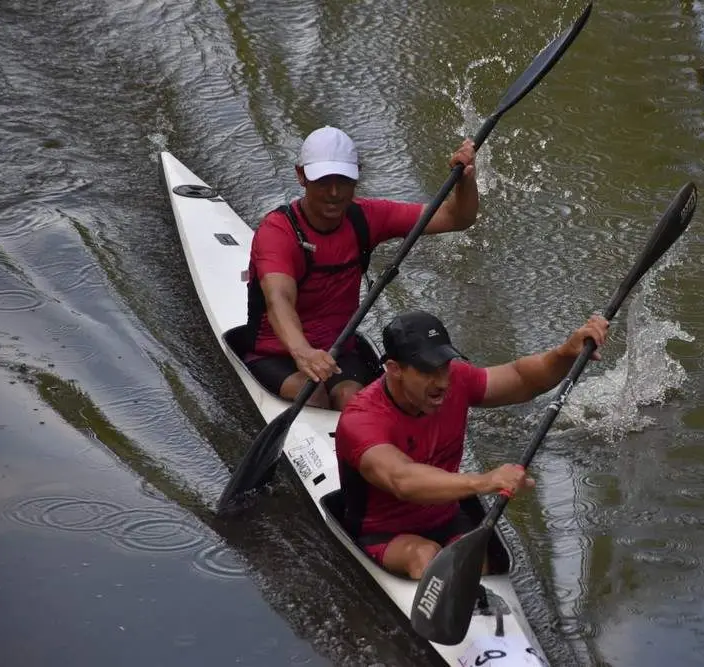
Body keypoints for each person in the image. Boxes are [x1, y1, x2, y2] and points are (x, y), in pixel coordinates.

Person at [334, 309, 610, 579]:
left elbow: (521, 378)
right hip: (382, 532)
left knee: (473, 565)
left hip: (445, 516)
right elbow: (401, 480)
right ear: (395, 369)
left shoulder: (457, 379)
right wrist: (485, 481)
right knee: (424, 556)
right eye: (428, 370)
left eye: (444, 366)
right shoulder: (361, 419)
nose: (442, 381)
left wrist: (564, 354)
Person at [242, 126, 480, 411]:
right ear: (301, 176)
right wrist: (303, 351)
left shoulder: (366, 217)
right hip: (277, 354)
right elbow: (278, 299)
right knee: (314, 396)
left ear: (357, 174)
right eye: (323, 181)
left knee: (353, 402)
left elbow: (456, 218)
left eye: (343, 181)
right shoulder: (278, 232)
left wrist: (464, 181)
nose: (334, 193)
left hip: (339, 351)